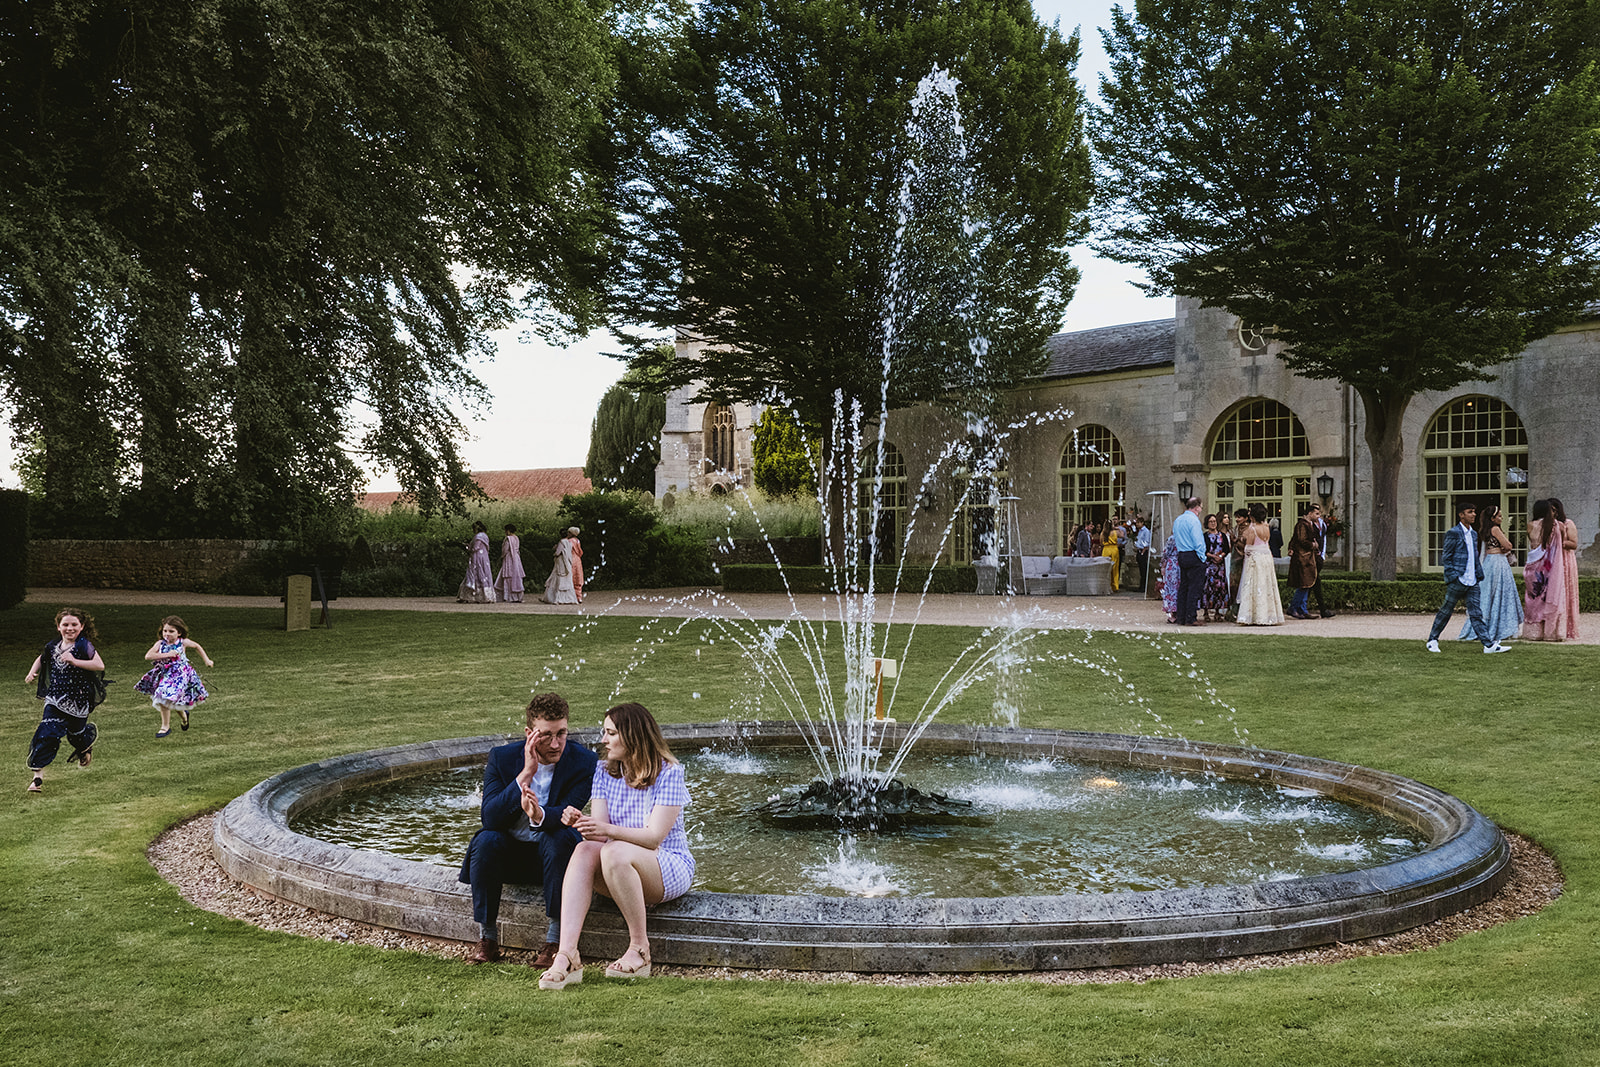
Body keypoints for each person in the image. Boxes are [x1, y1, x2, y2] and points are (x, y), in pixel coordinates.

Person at [539, 702, 694, 989]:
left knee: (614, 850)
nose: (603, 740)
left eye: (610, 733)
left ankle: (640, 949)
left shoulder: (669, 772)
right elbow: (598, 836)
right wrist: (581, 822)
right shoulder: (603, 771)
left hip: (666, 865)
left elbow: (654, 838)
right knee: (584, 849)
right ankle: (567, 954)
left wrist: (607, 830)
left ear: (632, 735)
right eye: (604, 732)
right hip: (617, 864)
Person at [458, 693, 597, 966]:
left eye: (562, 733)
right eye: (546, 735)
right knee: (486, 840)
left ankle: (554, 941)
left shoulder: (583, 762)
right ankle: (487, 939)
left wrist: (539, 814)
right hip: (509, 856)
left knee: (560, 837)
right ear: (529, 733)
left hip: (556, 858)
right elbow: (490, 817)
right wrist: (526, 773)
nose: (556, 743)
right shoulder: (502, 758)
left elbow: (568, 815)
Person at [23, 608, 105, 793]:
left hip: (78, 701)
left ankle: (85, 746)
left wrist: (75, 661)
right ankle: (37, 779)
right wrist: (31, 672)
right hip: (54, 698)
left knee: (75, 735)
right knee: (47, 732)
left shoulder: (84, 646)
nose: (70, 628)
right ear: (58, 627)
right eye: (65, 624)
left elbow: (99, 665)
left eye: (74, 624)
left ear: (81, 626)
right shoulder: (53, 646)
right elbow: (42, 658)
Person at [1427, 501, 1509, 654]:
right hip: (1458, 580)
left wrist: (1478, 575)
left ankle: (1488, 645)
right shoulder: (1453, 533)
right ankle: (1432, 640)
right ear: (1461, 515)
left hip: (1473, 581)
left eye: (1474, 511)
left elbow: (1474, 555)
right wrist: (1453, 577)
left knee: (1476, 613)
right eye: (1470, 512)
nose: (1474, 514)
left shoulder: (1473, 533)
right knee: (1446, 611)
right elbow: (1447, 556)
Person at [134, 615, 213, 738]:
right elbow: (148, 656)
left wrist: (207, 660)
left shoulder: (182, 643)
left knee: (166, 697)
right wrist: (167, 654)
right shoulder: (160, 644)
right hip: (165, 674)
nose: (167, 634)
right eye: (165, 631)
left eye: (171, 631)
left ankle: (169, 725)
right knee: (167, 698)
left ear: (179, 633)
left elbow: (197, 646)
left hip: (180, 675)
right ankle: (174, 722)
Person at [1456, 504, 1522, 645]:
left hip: (1489, 562)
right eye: (1499, 516)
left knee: (1487, 594)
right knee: (1500, 593)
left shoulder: (1485, 530)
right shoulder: (1495, 529)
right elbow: (1508, 546)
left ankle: (1482, 627)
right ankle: (1499, 628)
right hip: (1498, 562)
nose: (1501, 518)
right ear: (1492, 518)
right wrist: (1506, 547)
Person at [1523, 498, 1568, 642]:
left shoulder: (1530, 525)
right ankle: (1552, 632)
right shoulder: (1558, 526)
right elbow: (1562, 542)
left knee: (1534, 597)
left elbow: (1532, 542)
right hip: (1550, 566)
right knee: (1550, 596)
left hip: (1534, 565)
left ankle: (1534, 633)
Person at [1235, 503, 1285, 625]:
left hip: (1256, 559)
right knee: (1267, 585)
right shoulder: (1266, 526)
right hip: (1266, 557)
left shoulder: (1252, 529)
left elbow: (1249, 547)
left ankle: (1254, 616)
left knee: (1254, 585)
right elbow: (1266, 543)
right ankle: (1269, 615)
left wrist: (1243, 545)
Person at [1547, 497, 1581, 640]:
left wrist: (1558, 541)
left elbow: (1573, 544)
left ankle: (1567, 628)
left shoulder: (1568, 523)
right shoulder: (1546, 525)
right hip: (1552, 560)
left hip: (1565, 560)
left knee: (1566, 592)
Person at [1287, 504, 1326, 619]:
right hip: (1303, 558)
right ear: (1310, 513)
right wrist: (1313, 545)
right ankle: (1294, 607)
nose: (1318, 516)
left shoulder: (1308, 524)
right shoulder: (1302, 525)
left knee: (1307, 584)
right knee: (1304, 584)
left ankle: (1302, 609)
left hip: (1308, 557)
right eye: (1316, 514)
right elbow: (1301, 540)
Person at [1173, 497, 1207, 626]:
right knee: (1194, 588)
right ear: (1197, 507)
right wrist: (1202, 557)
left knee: (1183, 587)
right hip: (1193, 554)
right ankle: (1191, 617)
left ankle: (1181, 617)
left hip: (1182, 554)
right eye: (1201, 507)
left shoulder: (1178, 520)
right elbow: (1198, 541)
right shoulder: (1194, 520)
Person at [1200, 513, 1230, 621]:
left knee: (1220, 588)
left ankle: (1218, 612)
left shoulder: (1222, 535)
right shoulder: (1204, 536)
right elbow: (1203, 550)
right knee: (1207, 588)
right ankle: (1206, 612)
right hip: (1209, 565)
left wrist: (1221, 556)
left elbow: (1226, 549)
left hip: (1220, 566)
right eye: (1211, 522)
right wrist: (1212, 556)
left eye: (1214, 521)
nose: (1213, 523)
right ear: (1207, 524)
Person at [458, 521, 496, 603]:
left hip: (477, 558)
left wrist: (467, 548)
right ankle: (485, 595)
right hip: (484, 558)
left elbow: (475, 548)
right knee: (483, 574)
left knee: (475, 574)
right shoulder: (485, 536)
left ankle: (473, 596)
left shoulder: (478, 537)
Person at [542, 530, 579, 604]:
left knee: (558, 578)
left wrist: (555, 552)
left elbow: (558, 553)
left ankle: (556, 598)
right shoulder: (569, 542)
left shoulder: (561, 542)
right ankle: (569, 598)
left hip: (561, 563)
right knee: (566, 579)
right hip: (567, 562)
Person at [493, 524, 526, 604]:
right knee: (515, 575)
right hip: (516, 557)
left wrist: (502, 556)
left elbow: (505, 550)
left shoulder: (508, 539)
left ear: (508, 530)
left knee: (508, 575)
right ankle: (516, 596)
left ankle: (508, 596)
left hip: (509, 558)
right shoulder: (516, 538)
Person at [1227, 508, 1250, 620]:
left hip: (1244, 559)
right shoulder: (1235, 529)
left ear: (1246, 518)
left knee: (1243, 584)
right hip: (1235, 557)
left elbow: (1248, 545)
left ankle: (1241, 609)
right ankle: (1233, 609)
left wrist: (1237, 542)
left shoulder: (1249, 529)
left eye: (1239, 517)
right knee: (1233, 584)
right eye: (1236, 517)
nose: (1237, 519)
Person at [1101, 521, 1121, 593]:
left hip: (1106, 549)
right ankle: (1115, 586)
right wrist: (1118, 529)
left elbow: (1101, 542)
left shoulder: (1103, 533)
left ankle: (1106, 585)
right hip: (1114, 549)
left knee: (1105, 568)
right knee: (1115, 568)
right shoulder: (1115, 532)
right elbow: (1122, 535)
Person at [566, 527, 586, 603]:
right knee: (578, 578)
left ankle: (571, 597)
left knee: (571, 578)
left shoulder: (569, 541)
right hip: (578, 560)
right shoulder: (577, 541)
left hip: (571, 560)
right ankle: (579, 596)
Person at [1133, 518, 1152, 592]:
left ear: (1142, 523)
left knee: (1144, 569)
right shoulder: (1140, 531)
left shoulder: (1146, 531)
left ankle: (1144, 587)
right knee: (1141, 569)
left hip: (1143, 551)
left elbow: (1147, 542)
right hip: (1139, 550)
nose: (1137, 524)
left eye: (1138, 523)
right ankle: (1141, 586)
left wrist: (1143, 552)